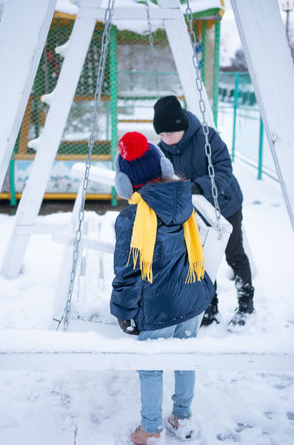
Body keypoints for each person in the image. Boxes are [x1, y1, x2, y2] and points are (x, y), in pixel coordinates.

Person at [110, 131, 214, 444]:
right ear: (164, 168)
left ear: (124, 184)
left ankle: (151, 428)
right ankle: (181, 418)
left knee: (152, 366)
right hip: (191, 297)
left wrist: (123, 312)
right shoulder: (183, 201)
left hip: (158, 306)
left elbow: (127, 273)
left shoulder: (131, 218)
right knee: (184, 356)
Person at [152, 95, 255, 331]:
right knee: (201, 258)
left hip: (225, 205)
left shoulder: (207, 137)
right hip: (194, 213)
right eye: (161, 134)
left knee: (234, 253)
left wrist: (198, 186)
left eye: (170, 133)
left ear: (180, 125)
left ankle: (246, 303)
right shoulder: (161, 150)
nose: (165, 138)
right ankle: (209, 306)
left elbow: (224, 171)